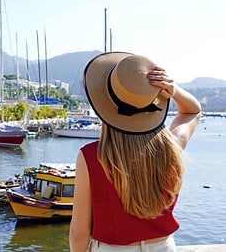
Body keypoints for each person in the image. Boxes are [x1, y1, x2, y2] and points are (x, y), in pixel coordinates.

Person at [69, 53, 201, 252]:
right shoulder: (171, 147)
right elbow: (193, 111)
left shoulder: (91, 157)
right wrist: (173, 90)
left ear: (104, 106)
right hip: (164, 247)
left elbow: (79, 233)